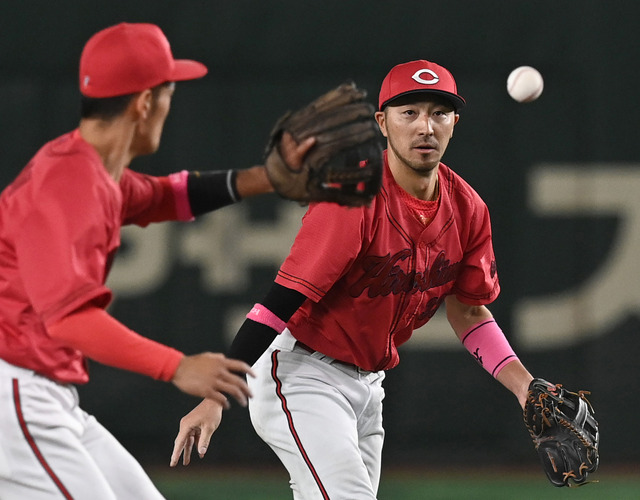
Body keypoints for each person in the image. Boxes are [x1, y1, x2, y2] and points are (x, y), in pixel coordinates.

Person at [171, 59, 536, 499]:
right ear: (382, 123)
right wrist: (216, 397)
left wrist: (526, 388)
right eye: (409, 112)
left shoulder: (468, 209)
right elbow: (279, 301)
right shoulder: (354, 199)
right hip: (302, 375)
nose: (425, 127)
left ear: (455, 121)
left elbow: (469, 307)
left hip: (368, 390)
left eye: (439, 113)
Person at [0, 22, 312, 500]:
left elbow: (168, 195)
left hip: (43, 396)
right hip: (14, 393)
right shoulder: (68, 181)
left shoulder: (92, 171)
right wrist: (177, 366)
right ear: (145, 102)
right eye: (169, 91)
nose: (170, 104)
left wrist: (267, 178)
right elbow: (68, 319)